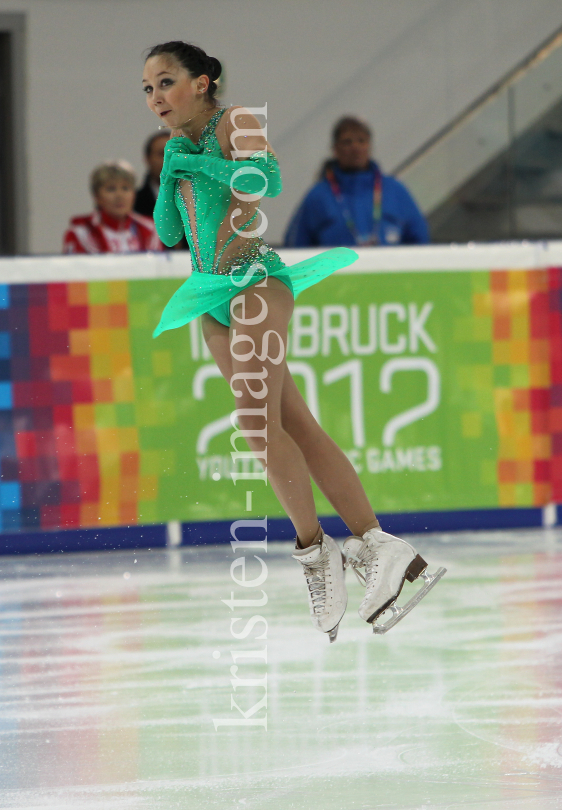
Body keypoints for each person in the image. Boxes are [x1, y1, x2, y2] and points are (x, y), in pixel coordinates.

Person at [142, 41, 443, 640]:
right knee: (291, 425)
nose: (156, 98)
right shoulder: (178, 145)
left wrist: (194, 164)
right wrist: (170, 169)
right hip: (210, 300)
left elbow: (268, 179)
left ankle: (318, 552)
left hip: (254, 284)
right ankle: (380, 549)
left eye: (166, 82)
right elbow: (172, 231)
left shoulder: (237, 121)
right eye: (147, 89)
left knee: (255, 426)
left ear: (203, 82)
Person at [285, 116, 430, 248]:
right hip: (336, 276)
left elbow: (421, 241)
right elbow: (295, 246)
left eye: (361, 141)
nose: (355, 148)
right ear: (335, 149)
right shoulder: (318, 196)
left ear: (369, 146)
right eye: (347, 142)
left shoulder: (395, 191)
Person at [63, 160, 162, 254]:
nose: (119, 195)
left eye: (125, 188)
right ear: (97, 196)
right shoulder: (81, 233)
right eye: (111, 189)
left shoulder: (151, 229)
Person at [134, 132, 169, 218]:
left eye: (175, 154)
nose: (168, 160)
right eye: (162, 154)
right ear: (148, 159)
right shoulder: (133, 203)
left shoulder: (200, 200)